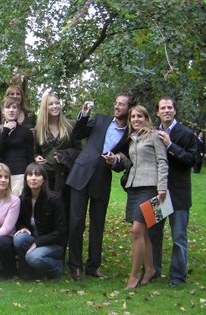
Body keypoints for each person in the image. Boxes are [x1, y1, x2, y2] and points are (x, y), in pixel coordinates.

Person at [66, 91, 131, 281]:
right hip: (81, 173)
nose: (117, 106)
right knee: (76, 222)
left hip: (102, 178)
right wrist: (83, 115)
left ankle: (93, 267)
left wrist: (115, 162)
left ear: (129, 108)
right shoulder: (100, 119)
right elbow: (77, 134)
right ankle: (75, 266)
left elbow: (124, 161)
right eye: (116, 103)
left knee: (97, 225)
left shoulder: (129, 133)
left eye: (121, 104)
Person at [113, 105, 168, 289]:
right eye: (133, 117)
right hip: (133, 188)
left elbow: (162, 161)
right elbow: (133, 164)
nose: (135, 120)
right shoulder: (132, 139)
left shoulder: (155, 135)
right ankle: (150, 269)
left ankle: (134, 275)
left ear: (146, 118)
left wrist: (162, 187)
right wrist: (119, 159)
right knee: (142, 232)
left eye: (139, 116)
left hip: (151, 187)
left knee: (137, 230)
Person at [150, 97, 199, 287]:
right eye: (163, 108)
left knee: (179, 237)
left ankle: (178, 277)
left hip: (179, 194)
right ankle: (153, 272)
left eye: (170, 107)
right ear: (157, 112)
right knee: (155, 236)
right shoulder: (154, 133)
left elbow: (192, 160)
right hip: (159, 193)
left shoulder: (186, 134)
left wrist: (171, 145)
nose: (166, 110)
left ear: (175, 111)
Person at [14, 163, 67, 280]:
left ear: (44, 179)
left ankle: (57, 267)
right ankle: (26, 271)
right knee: (19, 238)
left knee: (34, 258)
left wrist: (38, 243)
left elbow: (61, 231)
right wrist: (23, 227)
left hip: (53, 244)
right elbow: (19, 222)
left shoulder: (54, 199)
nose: (33, 178)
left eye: (37, 175)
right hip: (34, 240)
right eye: (30, 175)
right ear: (26, 179)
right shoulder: (23, 199)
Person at [33, 92, 76, 194]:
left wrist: (65, 155)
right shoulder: (38, 130)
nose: (55, 106)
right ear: (45, 108)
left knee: (65, 206)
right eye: (51, 104)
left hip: (66, 174)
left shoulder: (70, 126)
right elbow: (35, 151)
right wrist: (36, 157)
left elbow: (79, 150)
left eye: (57, 103)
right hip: (46, 175)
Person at [0, 97, 35, 195]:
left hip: (20, 174)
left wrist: (29, 175)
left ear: (18, 111)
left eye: (14, 107)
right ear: (2, 111)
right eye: (8, 107)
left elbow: (30, 156)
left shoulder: (25, 131)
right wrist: (5, 131)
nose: (11, 110)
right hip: (3, 175)